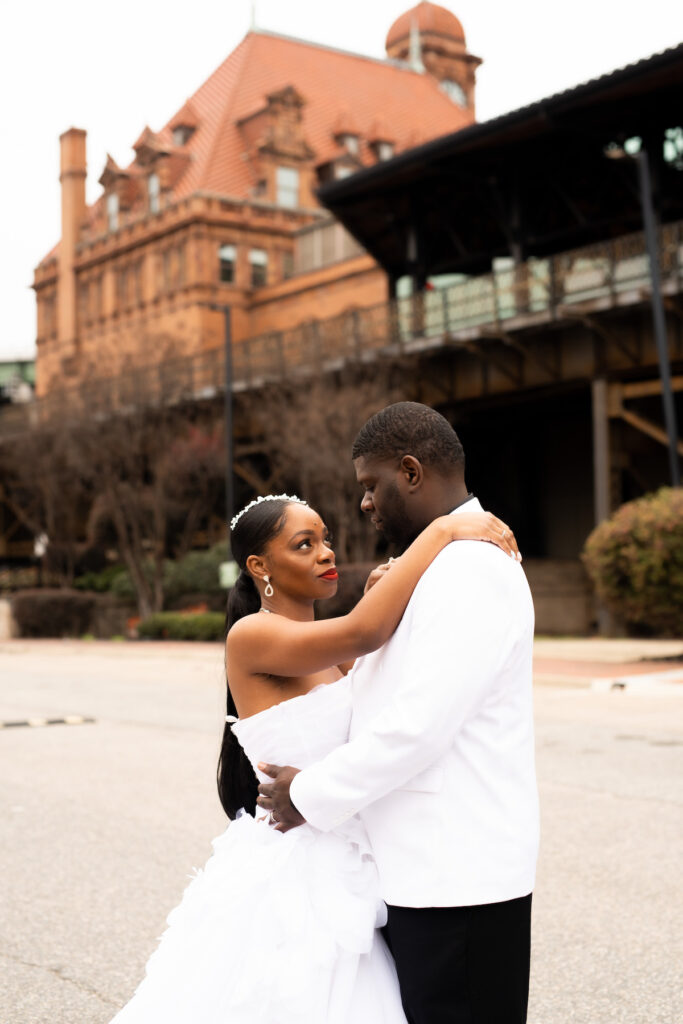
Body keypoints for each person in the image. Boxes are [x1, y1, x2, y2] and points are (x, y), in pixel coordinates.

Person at [109, 489, 520, 1024]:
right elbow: (364, 631)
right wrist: (443, 530)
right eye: (305, 545)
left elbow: (381, 683)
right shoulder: (251, 635)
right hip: (299, 868)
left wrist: (387, 588)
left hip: (357, 853)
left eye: (325, 540)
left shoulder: (329, 650)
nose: (326, 553)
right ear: (260, 566)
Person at [259, 402, 540, 1024]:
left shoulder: (473, 569)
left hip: (459, 881)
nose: (363, 503)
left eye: (370, 485)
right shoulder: (435, 563)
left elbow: (419, 724)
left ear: (410, 472)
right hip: (421, 874)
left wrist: (309, 794)